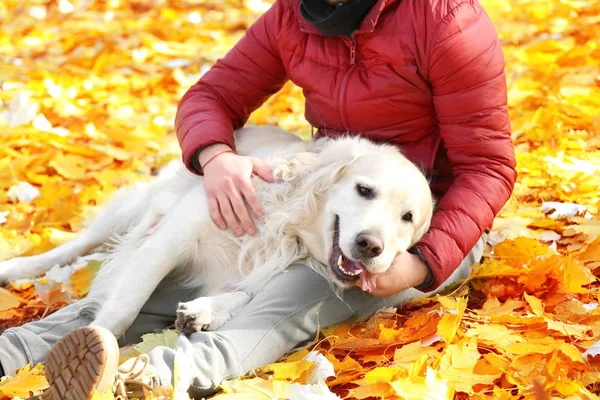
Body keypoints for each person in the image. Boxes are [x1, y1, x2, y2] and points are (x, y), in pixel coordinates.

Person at [1, 0, 516, 398]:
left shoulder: (446, 20)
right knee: (152, 290)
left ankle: (139, 381)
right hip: (327, 199)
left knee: (283, 302)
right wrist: (217, 156)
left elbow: (489, 167)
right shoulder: (294, 15)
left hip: (431, 227)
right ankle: (15, 354)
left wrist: (421, 264)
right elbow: (211, 96)